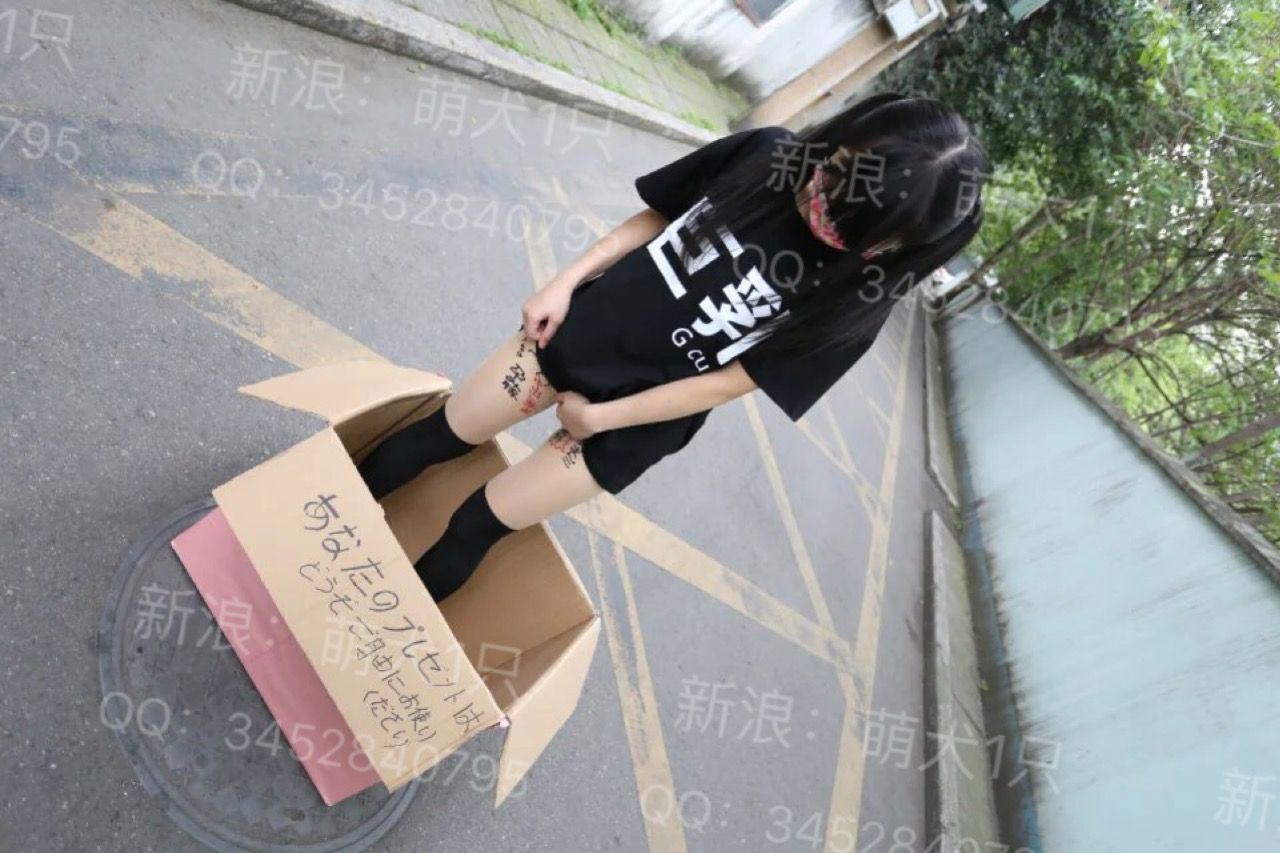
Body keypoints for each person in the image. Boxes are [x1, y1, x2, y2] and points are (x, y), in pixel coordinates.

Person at [357, 92, 988, 602]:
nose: (821, 210)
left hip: (633, 426)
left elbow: (728, 382)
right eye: (835, 176)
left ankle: (376, 631)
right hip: (579, 332)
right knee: (439, 436)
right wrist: (564, 282)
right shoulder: (768, 155)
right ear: (848, 137)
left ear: (897, 246)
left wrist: (600, 419)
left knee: (478, 523)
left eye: (852, 227)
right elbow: (661, 217)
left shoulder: (859, 299)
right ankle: (320, 528)